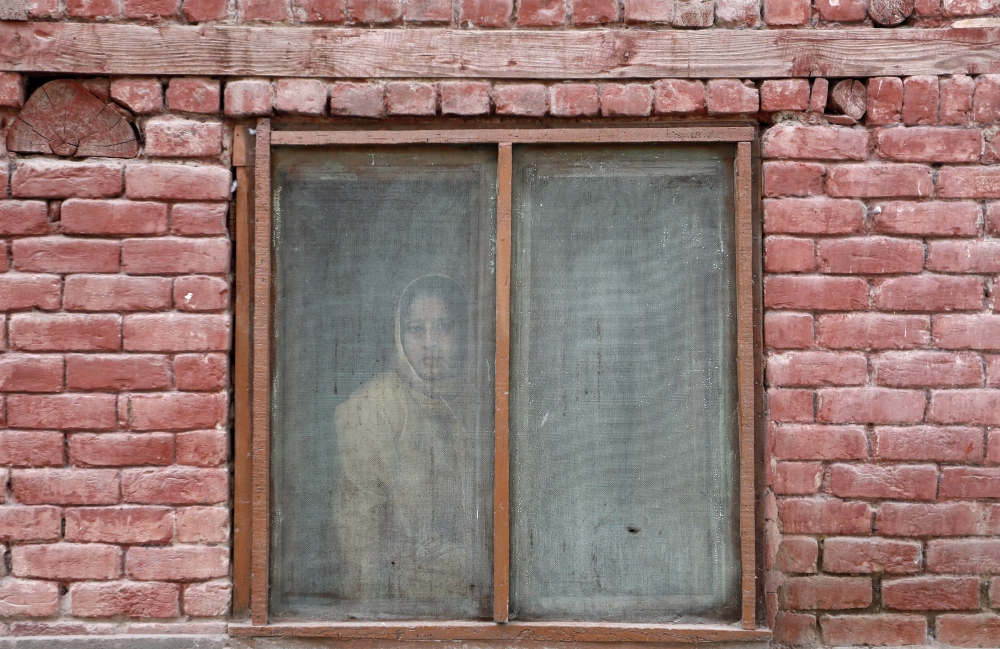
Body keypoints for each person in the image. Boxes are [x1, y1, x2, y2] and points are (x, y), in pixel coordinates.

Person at [333, 274, 486, 609]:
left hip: (472, 594)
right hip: (398, 598)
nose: (430, 343)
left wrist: (468, 554)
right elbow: (360, 528)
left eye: (443, 327)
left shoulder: (482, 401)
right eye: (416, 330)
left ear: (462, 333)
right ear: (399, 336)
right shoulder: (371, 407)